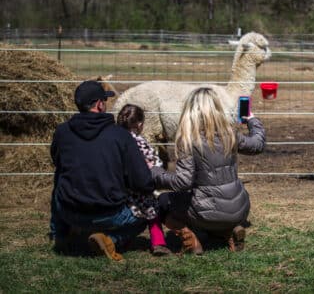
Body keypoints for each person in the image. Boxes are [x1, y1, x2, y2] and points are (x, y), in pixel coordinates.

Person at [151, 87, 265, 255]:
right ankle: (228, 231)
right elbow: (257, 144)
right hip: (240, 209)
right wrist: (252, 120)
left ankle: (190, 238)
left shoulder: (188, 140)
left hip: (207, 211)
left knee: (162, 201)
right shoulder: (230, 134)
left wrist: (155, 172)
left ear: (190, 110)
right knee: (216, 206)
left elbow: (183, 182)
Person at [49, 80, 154, 261]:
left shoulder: (62, 132)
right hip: (110, 213)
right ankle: (111, 239)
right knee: (145, 214)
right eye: (104, 100)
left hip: (70, 210)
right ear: (99, 104)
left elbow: (57, 162)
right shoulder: (121, 136)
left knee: (59, 180)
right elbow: (142, 182)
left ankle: (60, 234)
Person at [116, 104, 171, 256]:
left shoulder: (115, 139)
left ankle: (122, 240)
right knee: (152, 208)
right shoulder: (140, 142)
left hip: (120, 189)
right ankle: (158, 242)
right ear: (140, 124)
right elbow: (155, 164)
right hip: (139, 189)